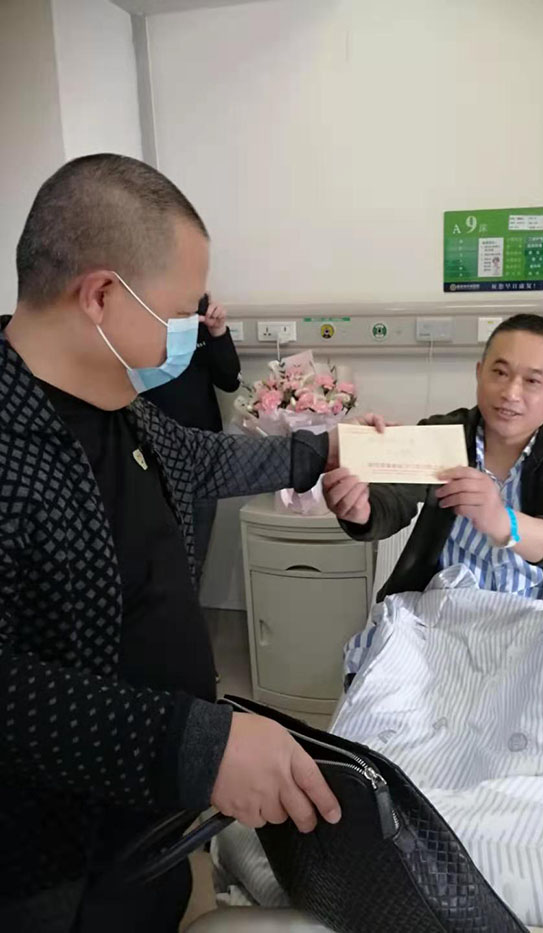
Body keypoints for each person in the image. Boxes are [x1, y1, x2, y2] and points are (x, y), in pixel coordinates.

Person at [0, 154, 383, 932]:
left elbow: (203, 460)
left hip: (158, 826)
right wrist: (192, 743)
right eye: (182, 310)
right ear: (101, 295)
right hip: (57, 872)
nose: (192, 328)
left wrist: (324, 449)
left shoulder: (118, 407)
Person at [323, 314, 543, 622]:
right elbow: (394, 498)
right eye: (500, 373)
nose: (511, 392)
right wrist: (361, 509)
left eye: (532, 381)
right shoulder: (444, 434)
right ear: (479, 373)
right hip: (444, 611)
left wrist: (503, 521)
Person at [144, 293, 240, 587]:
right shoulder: (135, 309)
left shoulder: (196, 307)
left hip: (200, 456)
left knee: (193, 561)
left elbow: (229, 379)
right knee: (152, 562)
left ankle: (188, 615)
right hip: (148, 456)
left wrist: (217, 331)